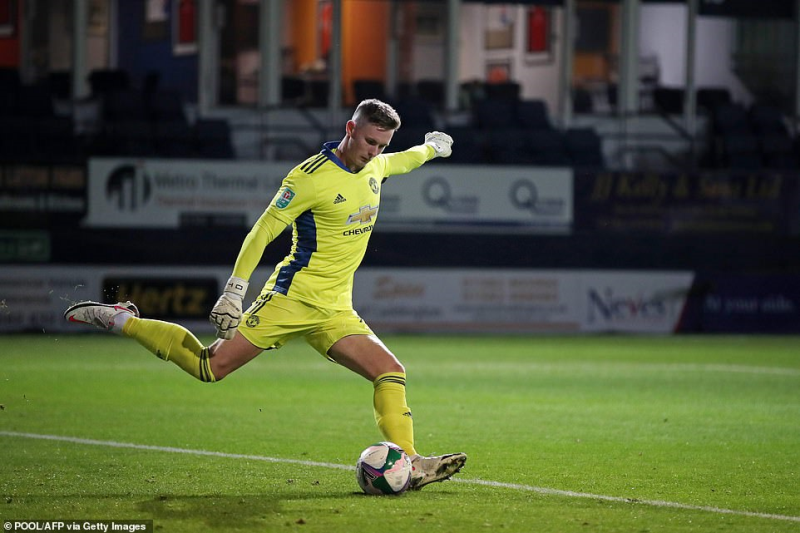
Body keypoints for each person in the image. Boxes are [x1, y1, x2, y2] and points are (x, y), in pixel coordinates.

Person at [65, 99, 466, 490]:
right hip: (290, 299)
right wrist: (235, 291)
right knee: (211, 368)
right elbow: (262, 231)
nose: (375, 152)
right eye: (369, 142)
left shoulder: (376, 165)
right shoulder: (308, 177)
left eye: (382, 145)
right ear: (350, 129)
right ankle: (123, 319)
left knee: (390, 371)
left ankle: (411, 463)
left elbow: (405, 159)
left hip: (335, 308)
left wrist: (431, 148)